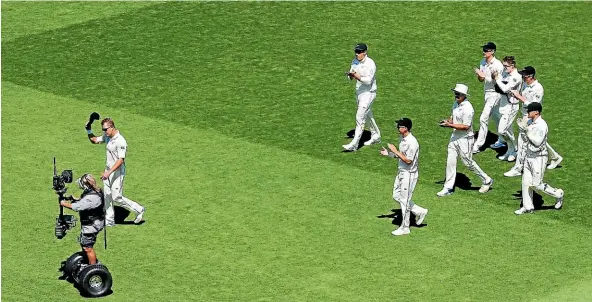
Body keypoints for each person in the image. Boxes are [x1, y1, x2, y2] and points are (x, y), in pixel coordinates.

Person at [504, 66, 563, 177]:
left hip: (531, 117)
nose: (522, 77)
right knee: (536, 140)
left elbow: (534, 106)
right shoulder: (525, 83)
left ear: (530, 76)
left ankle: (517, 168)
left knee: (522, 142)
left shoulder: (538, 88)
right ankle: (555, 157)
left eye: (524, 75)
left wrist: (519, 97)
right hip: (525, 114)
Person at [437, 84, 494, 197]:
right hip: (454, 137)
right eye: (455, 93)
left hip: (465, 138)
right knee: (450, 162)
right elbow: (452, 118)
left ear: (464, 95)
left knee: (468, 162)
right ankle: (448, 187)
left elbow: (466, 127)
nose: (456, 96)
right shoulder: (455, 104)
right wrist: (447, 121)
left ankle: (486, 179)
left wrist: (450, 125)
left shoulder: (468, 108)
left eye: (459, 94)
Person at [87, 117, 145, 226]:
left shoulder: (120, 141)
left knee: (116, 197)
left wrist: (108, 173)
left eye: (105, 129)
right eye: (103, 130)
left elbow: (120, 160)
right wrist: (88, 130)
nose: (104, 132)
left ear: (112, 127)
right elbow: (94, 140)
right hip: (108, 171)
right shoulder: (108, 136)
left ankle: (139, 209)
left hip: (117, 172)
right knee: (107, 196)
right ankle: (109, 222)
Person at [380, 118, 428, 236]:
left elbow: (408, 160)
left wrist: (395, 151)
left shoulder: (412, 142)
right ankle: (420, 211)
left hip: (409, 175)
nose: (397, 128)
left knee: (404, 201)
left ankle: (405, 227)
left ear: (405, 128)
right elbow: (402, 156)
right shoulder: (402, 139)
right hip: (401, 172)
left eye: (399, 126)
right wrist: (390, 154)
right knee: (396, 196)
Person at [514, 103, 564, 215]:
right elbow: (526, 140)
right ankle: (527, 207)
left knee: (537, 184)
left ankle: (558, 194)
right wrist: (523, 131)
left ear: (536, 112)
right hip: (528, 156)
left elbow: (538, 142)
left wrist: (527, 131)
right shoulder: (530, 123)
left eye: (530, 111)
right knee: (526, 182)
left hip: (539, 158)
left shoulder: (542, 125)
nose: (528, 113)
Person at [343, 43, 381, 151]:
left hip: (369, 93)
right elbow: (351, 78)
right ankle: (376, 136)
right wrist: (350, 75)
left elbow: (368, 81)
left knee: (360, 116)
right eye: (356, 52)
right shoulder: (354, 62)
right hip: (359, 92)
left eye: (359, 52)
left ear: (365, 52)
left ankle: (354, 144)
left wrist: (356, 76)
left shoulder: (370, 64)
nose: (357, 54)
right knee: (367, 114)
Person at [60, 174, 105, 265]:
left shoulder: (92, 198)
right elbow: (83, 202)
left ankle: (93, 268)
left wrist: (63, 203)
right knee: (85, 244)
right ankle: (89, 262)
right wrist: (74, 199)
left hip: (92, 225)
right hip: (93, 223)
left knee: (87, 247)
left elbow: (77, 207)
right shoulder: (94, 191)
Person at [492, 56, 522, 161]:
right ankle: (510, 150)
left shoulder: (516, 77)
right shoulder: (505, 73)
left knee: (502, 131)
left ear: (512, 65)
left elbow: (504, 89)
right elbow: (497, 87)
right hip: (503, 105)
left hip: (511, 106)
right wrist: (496, 80)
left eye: (506, 66)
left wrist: (497, 79)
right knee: (508, 130)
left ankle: (516, 149)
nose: (504, 68)